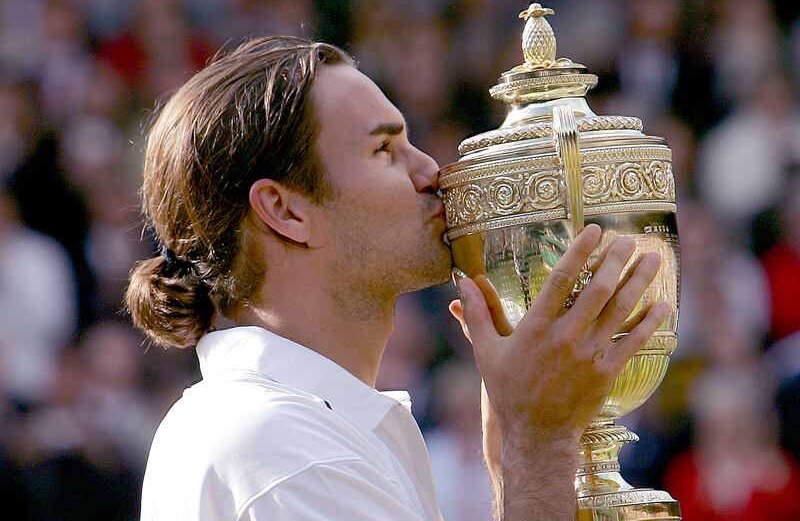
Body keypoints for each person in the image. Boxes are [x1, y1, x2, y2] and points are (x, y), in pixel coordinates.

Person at [126, 36, 668, 520]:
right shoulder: (284, 449)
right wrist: (539, 442)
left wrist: (513, 469)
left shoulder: (295, 429)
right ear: (285, 211)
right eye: (385, 150)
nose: (433, 171)